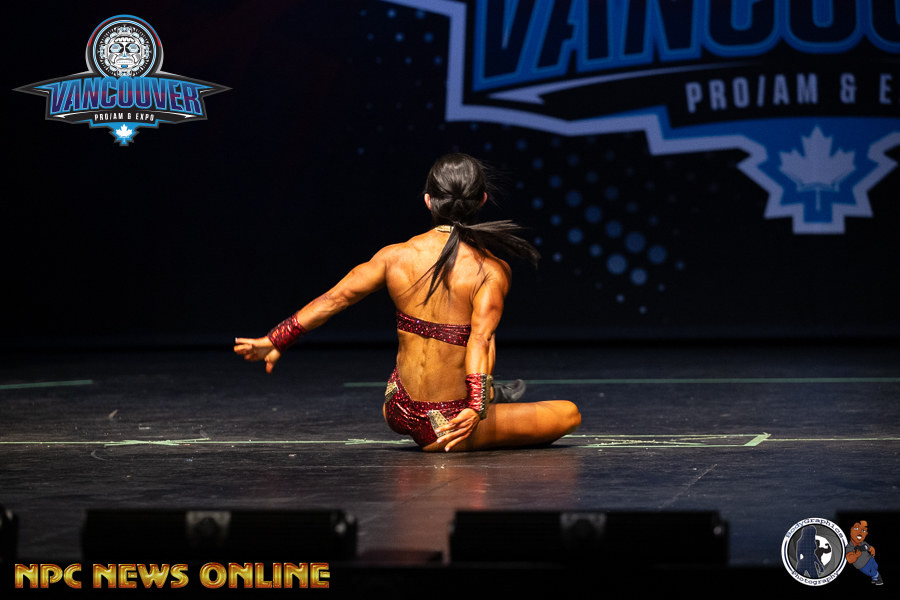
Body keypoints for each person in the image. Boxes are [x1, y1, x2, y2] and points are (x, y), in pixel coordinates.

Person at [234, 153, 581, 452]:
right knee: (569, 412)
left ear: (428, 200)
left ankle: (488, 392)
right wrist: (475, 409)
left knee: (467, 351)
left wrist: (276, 339)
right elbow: (480, 339)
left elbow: (335, 299)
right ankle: (486, 394)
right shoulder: (489, 269)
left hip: (396, 407)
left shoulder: (394, 256)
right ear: (482, 200)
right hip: (446, 425)